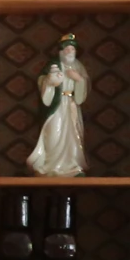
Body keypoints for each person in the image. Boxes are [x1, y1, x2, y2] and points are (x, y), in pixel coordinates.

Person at [26, 33, 90, 176]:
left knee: (73, 137)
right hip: (55, 106)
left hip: (71, 105)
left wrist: (78, 79)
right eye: (67, 49)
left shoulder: (78, 66)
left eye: (72, 49)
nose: (70, 52)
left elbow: (84, 85)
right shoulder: (53, 64)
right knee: (53, 134)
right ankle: (50, 166)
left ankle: (72, 167)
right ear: (61, 51)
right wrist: (50, 82)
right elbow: (42, 80)